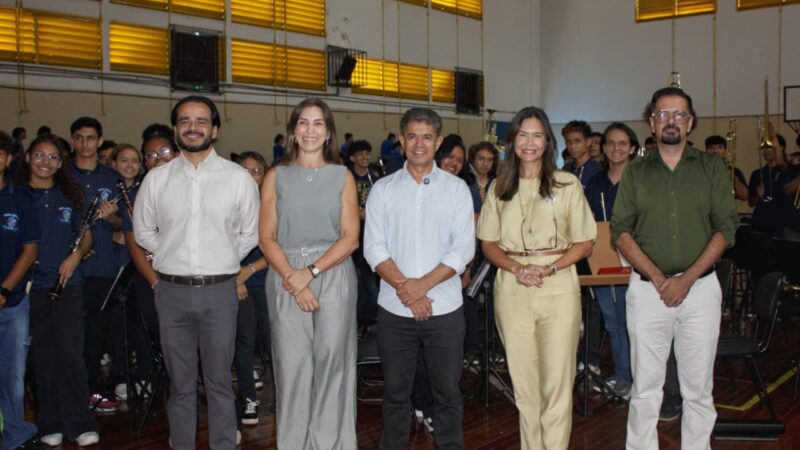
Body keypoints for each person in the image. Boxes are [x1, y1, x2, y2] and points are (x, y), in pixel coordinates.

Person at [611, 87, 738, 450]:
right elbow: (620, 232)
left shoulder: (712, 168)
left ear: (691, 122)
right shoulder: (635, 173)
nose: (671, 121)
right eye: (663, 114)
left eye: (679, 114)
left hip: (700, 292)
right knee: (646, 388)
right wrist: (660, 278)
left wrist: (687, 280)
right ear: (651, 122)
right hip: (648, 292)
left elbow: (726, 228)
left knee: (698, 389)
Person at [134, 96, 260, 449]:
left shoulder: (237, 179)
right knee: (181, 384)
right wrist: (174, 256)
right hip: (170, 292)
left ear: (215, 129)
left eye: (201, 121)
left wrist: (217, 258)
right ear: (176, 129)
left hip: (220, 291)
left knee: (219, 381)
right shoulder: (157, 180)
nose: (193, 127)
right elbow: (143, 232)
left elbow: (250, 233)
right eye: (185, 121)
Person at [477, 106, 595, 450]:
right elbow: (488, 243)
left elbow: (586, 242)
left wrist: (550, 268)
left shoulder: (567, 184)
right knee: (525, 388)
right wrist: (516, 268)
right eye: (522, 135)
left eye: (537, 135)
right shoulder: (499, 187)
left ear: (548, 143)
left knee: (557, 384)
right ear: (512, 141)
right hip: (512, 288)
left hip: (558, 286)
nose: (529, 142)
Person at [364, 107, 475, 450]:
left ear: (438, 141)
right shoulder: (382, 189)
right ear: (401, 140)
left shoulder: (456, 190)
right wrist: (407, 291)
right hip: (395, 311)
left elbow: (463, 250)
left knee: (447, 394)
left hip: (443, 308)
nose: (419, 143)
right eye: (411, 136)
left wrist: (420, 287)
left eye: (427, 137)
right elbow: (373, 248)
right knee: (396, 396)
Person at [259, 97, 360, 449]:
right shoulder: (276, 176)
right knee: (291, 368)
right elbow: (266, 237)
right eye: (303, 122)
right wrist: (294, 277)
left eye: (318, 123)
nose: (310, 130)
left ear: (329, 132)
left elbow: (351, 238)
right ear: (293, 130)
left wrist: (312, 271)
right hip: (286, 276)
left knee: (333, 365)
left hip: (332, 272)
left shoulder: (342, 176)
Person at [17, 134, 100, 447]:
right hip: (30, 290)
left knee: (70, 356)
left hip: (67, 286)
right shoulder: (17, 196)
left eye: (53, 157)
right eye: (39, 155)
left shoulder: (69, 194)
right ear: (28, 158)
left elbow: (86, 236)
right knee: (43, 358)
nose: (45, 162)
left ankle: (80, 423)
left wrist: (76, 256)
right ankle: (49, 422)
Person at [69, 116, 123, 413]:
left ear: (100, 141)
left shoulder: (110, 178)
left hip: (106, 266)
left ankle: (107, 384)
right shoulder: (64, 176)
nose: (85, 143)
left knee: (103, 332)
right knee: (82, 334)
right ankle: (89, 389)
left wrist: (113, 219)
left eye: (91, 138)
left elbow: (122, 223)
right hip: (74, 269)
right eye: (79, 137)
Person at [584, 122, 638, 400]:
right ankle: (622, 375)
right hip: (603, 262)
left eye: (622, 143)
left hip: (639, 265)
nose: (616, 148)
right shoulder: (595, 183)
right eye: (611, 143)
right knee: (614, 323)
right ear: (604, 148)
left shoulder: (641, 179)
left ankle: (641, 380)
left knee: (635, 324)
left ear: (632, 148)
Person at [0, 133, 41, 450]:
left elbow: (29, 251)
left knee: (14, 379)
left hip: (12, 302)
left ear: (8, 158)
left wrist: (4, 290)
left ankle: (15, 435)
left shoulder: (21, 199)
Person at [232, 151, 271, 426]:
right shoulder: (226, 205)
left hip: (268, 282)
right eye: (245, 170)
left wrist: (250, 270)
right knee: (244, 343)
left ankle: (282, 397)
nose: (250, 176)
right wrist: (236, 277)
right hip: (238, 286)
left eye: (256, 171)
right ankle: (249, 397)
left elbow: (278, 250)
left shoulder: (272, 205)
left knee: (273, 344)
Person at [349, 139, 380, 326]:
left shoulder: (376, 180)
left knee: (371, 279)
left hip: (370, 235)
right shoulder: (346, 178)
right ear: (352, 157)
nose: (365, 157)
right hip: (351, 235)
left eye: (367, 153)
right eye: (360, 154)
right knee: (354, 278)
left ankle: (371, 316)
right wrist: (359, 214)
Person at [748, 133, 789, 237]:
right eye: (764, 147)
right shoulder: (757, 173)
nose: (766, 150)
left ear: (780, 148)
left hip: (781, 225)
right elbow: (751, 202)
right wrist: (758, 196)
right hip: (759, 224)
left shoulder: (787, 170)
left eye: (770, 147)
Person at [705, 135, 747, 201]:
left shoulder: (734, 171)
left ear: (725, 150)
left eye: (719, 147)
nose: (715, 151)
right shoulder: (701, 169)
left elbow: (745, 197)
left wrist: (731, 175)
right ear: (706, 151)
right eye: (711, 148)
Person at [561, 120, 601, 188]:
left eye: (577, 141)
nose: (573, 146)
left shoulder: (598, 170)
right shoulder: (565, 169)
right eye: (568, 142)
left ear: (588, 142)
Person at [469, 141, 499, 205]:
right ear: (473, 159)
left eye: (489, 160)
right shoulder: (465, 181)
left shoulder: (496, 184)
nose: (485, 163)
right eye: (481, 159)